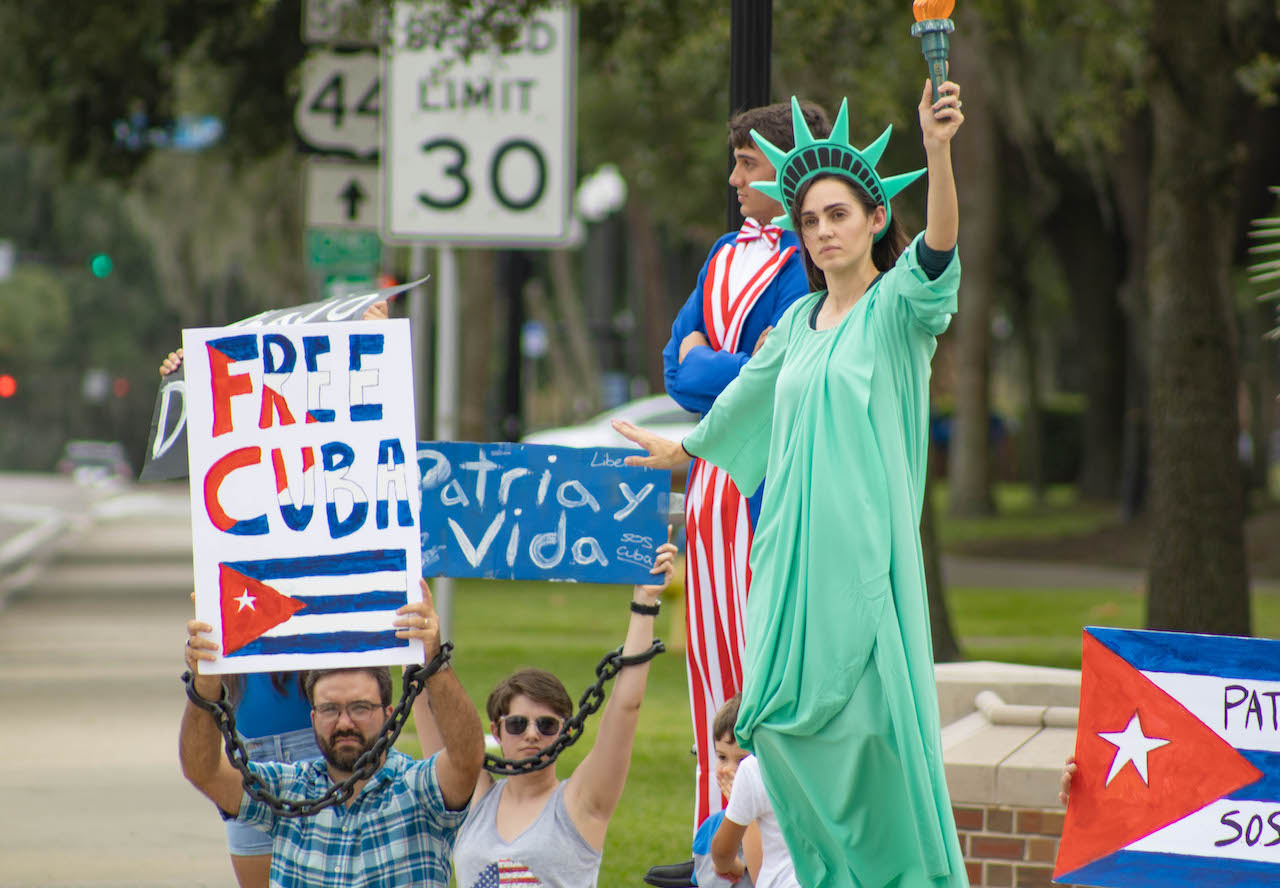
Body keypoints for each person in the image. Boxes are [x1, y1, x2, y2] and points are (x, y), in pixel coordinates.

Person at [614, 79, 969, 887]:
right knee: (780, 733)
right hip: (786, 565)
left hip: (865, 565)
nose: (821, 232)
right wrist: (684, 454)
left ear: (877, 220)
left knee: (871, 743)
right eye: (809, 219)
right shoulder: (796, 328)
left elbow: (941, 245)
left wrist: (939, 152)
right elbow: (739, 408)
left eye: (838, 214)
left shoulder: (898, 309)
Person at [664, 100, 830, 835]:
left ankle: (764, 841)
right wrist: (725, 364)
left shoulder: (807, 259)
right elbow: (676, 368)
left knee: (758, 669)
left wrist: (713, 360)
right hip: (708, 491)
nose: (733, 177)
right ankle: (710, 840)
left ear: (789, 169)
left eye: (747, 163)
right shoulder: (722, 254)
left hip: (764, 489)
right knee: (705, 668)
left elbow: (784, 367)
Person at [180, 579, 484, 888]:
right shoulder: (288, 791)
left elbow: (466, 757)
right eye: (330, 710)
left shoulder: (418, 789)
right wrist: (205, 687)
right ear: (312, 718)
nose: (344, 723)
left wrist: (435, 663)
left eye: (360, 707)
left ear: (388, 714)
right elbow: (203, 771)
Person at [423, 536, 678, 888]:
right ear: (496, 731)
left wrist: (645, 603)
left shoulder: (580, 803)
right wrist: (423, 647)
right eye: (517, 724)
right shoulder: (474, 800)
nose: (531, 734)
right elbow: (435, 725)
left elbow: (625, 708)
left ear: (564, 731)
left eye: (546, 724)